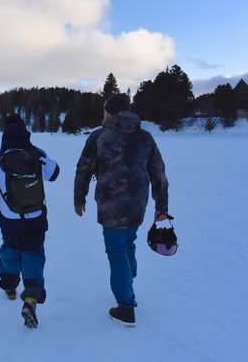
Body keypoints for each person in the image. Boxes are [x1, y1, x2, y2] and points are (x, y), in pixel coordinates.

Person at [73, 93, 169, 327]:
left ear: (110, 112)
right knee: (128, 243)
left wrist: (79, 198)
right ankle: (127, 279)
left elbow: (83, 169)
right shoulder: (145, 137)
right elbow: (158, 173)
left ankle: (126, 307)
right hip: (137, 204)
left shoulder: (99, 136)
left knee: (117, 253)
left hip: (111, 206)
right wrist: (161, 206)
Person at [0, 114, 60, 328]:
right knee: (33, 253)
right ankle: (31, 299)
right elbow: (55, 174)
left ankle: (9, 285)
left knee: (11, 248)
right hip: (35, 217)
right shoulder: (38, 154)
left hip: (9, 219)